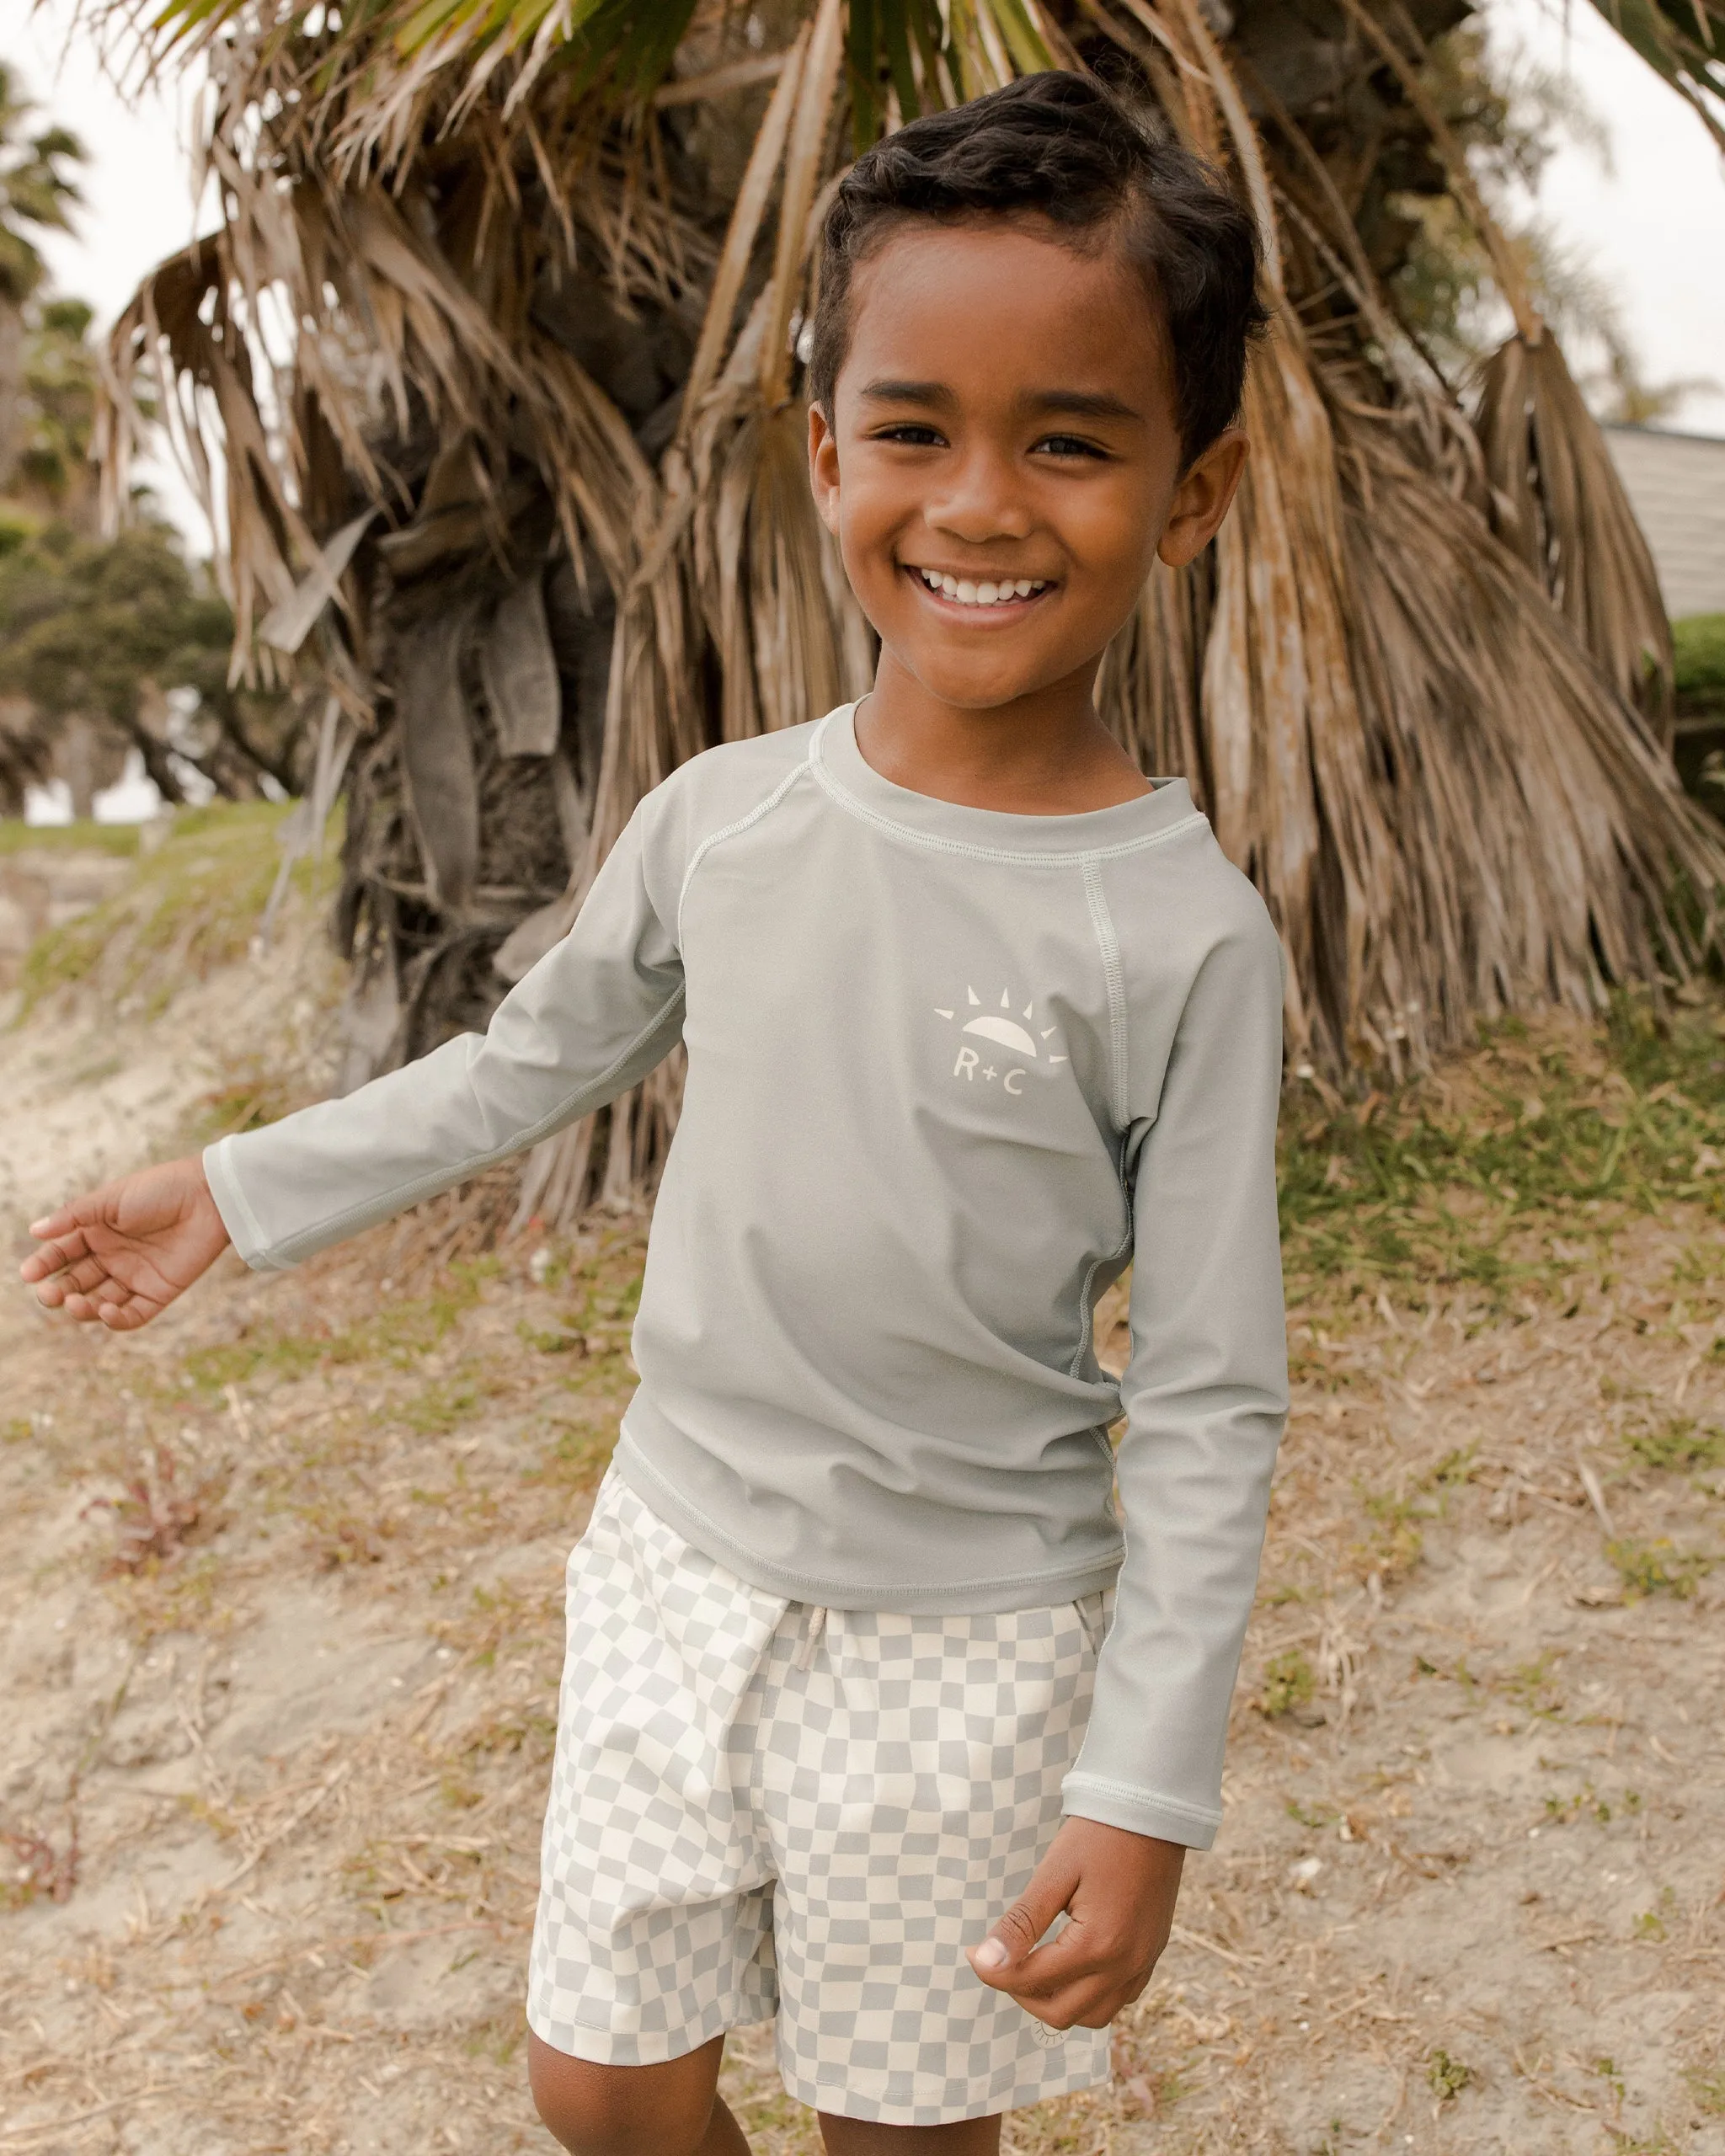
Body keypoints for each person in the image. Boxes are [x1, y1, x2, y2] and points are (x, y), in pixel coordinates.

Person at [21, 70, 1287, 2156]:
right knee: (600, 2087)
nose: (978, 503)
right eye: (913, 430)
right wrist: (232, 1194)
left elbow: (1218, 1395)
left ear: (1195, 487)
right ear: (823, 452)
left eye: (1069, 440)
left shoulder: (1181, 932)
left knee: (899, 2130)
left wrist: (1139, 1784)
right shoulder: (725, 819)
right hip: (673, 1569)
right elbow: (522, 1069)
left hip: (966, 1651)